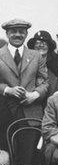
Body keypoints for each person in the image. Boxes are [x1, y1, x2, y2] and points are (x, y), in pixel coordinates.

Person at [0, 19, 48, 151]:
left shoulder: (37, 56)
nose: (17, 34)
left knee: (28, 156)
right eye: (13, 31)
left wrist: (35, 94)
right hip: (3, 111)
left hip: (31, 112)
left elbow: (45, 82)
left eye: (21, 32)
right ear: (7, 34)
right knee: (4, 156)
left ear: (26, 34)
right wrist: (7, 90)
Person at [26, 30, 58, 102]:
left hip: (54, 101)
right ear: (33, 46)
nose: (41, 45)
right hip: (32, 102)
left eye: (44, 43)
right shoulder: (26, 62)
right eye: (37, 43)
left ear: (49, 46)